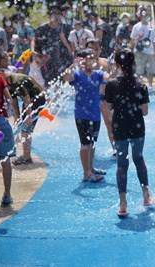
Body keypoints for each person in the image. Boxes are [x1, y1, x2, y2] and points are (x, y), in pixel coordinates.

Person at [105, 48, 153, 217]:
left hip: (120, 126)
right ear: (134, 63)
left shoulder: (111, 84)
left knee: (121, 163)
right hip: (137, 126)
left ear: (117, 64)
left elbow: (108, 108)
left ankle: (123, 203)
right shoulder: (140, 84)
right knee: (138, 159)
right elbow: (145, 111)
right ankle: (146, 196)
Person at [63, 48, 107, 182]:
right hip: (82, 114)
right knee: (85, 144)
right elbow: (66, 77)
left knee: (93, 143)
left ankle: (91, 167)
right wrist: (73, 65)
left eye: (94, 58)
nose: (92, 61)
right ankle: (86, 173)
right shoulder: (77, 74)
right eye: (89, 58)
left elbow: (109, 78)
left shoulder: (98, 74)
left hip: (95, 114)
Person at [3, 72, 46, 165]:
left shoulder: (17, 81)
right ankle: (26, 156)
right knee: (23, 127)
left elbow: (26, 98)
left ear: (1, 74)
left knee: (26, 129)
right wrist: (17, 117)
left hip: (37, 100)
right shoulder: (8, 83)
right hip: (31, 101)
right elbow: (14, 101)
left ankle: (27, 158)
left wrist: (28, 117)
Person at [0, 72, 16, 207]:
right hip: (2, 122)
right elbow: (9, 99)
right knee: (5, 160)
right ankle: (7, 195)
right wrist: (13, 114)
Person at [130, 6, 155, 91]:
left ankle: (150, 86)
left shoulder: (151, 27)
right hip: (139, 51)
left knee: (150, 70)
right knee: (139, 69)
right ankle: (138, 85)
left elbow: (154, 40)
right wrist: (132, 49)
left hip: (150, 51)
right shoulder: (136, 26)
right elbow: (132, 39)